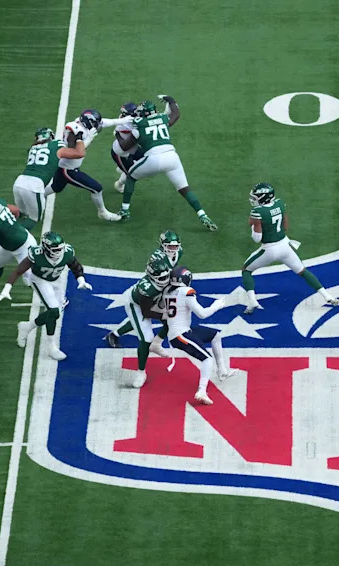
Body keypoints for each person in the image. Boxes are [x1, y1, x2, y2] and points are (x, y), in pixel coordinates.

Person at [115, 97, 217, 231]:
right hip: (172, 157)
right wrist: (172, 101)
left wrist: (117, 134)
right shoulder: (163, 118)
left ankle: (124, 210)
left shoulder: (139, 123)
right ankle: (202, 215)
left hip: (153, 159)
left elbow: (124, 146)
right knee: (184, 188)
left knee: (131, 177)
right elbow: (176, 114)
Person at [0, 231, 92, 361]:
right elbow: (18, 271)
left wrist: (81, 280)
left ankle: (26, 327)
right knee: (54, 311)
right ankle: (51, 347)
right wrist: (6, 289)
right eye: (55, 249)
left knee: (54, 313)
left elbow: (75, 266)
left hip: (57, 280)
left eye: (60, 248)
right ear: (46, 248)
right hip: (40, 281)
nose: (59, 252)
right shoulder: (36, 254)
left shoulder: (67, 252)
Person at [242, 182, 339, 314]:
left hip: (269, 249)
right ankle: (327, 296)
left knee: (246, 270)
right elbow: (285, 226)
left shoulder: (257, 212)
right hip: (285, 246)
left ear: (263, 197)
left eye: (256, 197)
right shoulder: (280, 204)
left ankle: (252, 301)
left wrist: (254, 226)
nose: (253, 199)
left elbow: (257, 238)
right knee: (303, 272)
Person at [163, 266, 237, 405]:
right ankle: (202, 391)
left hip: (182, 330)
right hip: (180, 334)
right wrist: (217, 306)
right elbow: (202, 314)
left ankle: (222, 371)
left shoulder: (167, 291)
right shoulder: (186, 292)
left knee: (216, 336)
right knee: (207, 359)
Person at [45, 109, 130, 222]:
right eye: (95, 123)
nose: (97, 125)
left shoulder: (84, 125)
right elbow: (73, 150)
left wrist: (123, 120)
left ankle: (36, 196)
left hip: (67, 167)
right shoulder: (75, 131)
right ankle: (102, 212)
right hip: (68, 169)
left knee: (56, 187)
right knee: (96, 188)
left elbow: (105, 122)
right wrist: (88, 139)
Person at [12, 127, 86, 231]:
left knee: (21, 212)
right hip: (34, 186)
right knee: (34, 218)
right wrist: (79, 139)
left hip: (19, 183)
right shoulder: (56, 145)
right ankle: (11, 236)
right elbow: (80, 153)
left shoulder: (33, 148)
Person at [122, 254, 172, 388]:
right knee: (146, 338)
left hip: (154, 300)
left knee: (172, 321)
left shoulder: (164, 279)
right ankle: (141, 372)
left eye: (167, 276)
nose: (166, 280)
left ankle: (156, 344)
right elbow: (147, 312)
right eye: (162, 278)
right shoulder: (147, 290)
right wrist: (164, 315)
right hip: (136, 305)